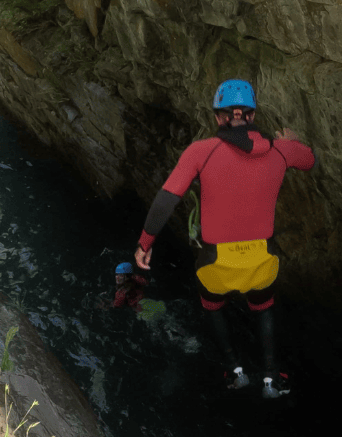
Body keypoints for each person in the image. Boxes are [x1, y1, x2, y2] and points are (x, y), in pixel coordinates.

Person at [134, 79, 315, 398]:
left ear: (218, 117)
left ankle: (235, 371)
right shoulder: (281, 151)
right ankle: (272, 377)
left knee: (213, 306)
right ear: (253, 114)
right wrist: (292, 143)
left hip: (216, 264)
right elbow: (310, 160)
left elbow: (165, 201)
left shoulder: (200, 152)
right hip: (262, 261)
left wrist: (144, 245)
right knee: (264, 307)